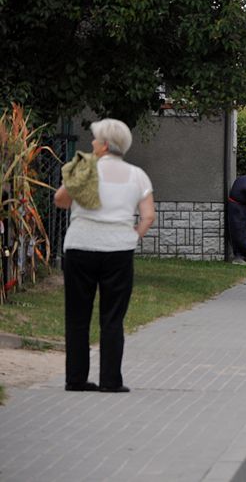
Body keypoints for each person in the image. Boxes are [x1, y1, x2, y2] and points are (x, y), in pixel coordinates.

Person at [54, 118, 155, 393]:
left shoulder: (85, 168)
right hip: (118, 250)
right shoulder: (137, 175)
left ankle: (75, 379)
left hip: (80, 246)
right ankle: (111, 381)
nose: (92, 143)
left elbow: (60, 200)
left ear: (105, 145)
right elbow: (148, 216)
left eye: (96, 139)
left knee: (77, 315)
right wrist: (133, 235)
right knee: (112, 317)